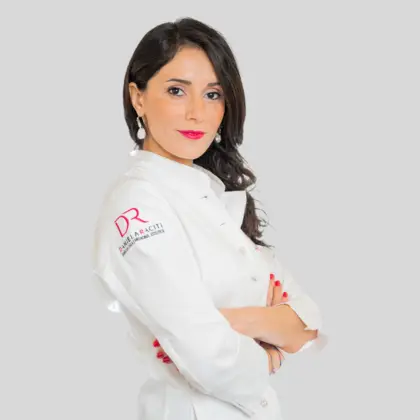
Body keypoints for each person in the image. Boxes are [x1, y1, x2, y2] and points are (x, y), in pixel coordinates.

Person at [91, 17, 326, 420]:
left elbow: (308, 326)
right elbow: (209, 358)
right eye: (176, 90)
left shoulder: (213, 196)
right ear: (138, 97)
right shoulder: (138, 205)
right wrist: (268, 352)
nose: (197, 113)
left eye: (213, 94)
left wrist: (235, 321)